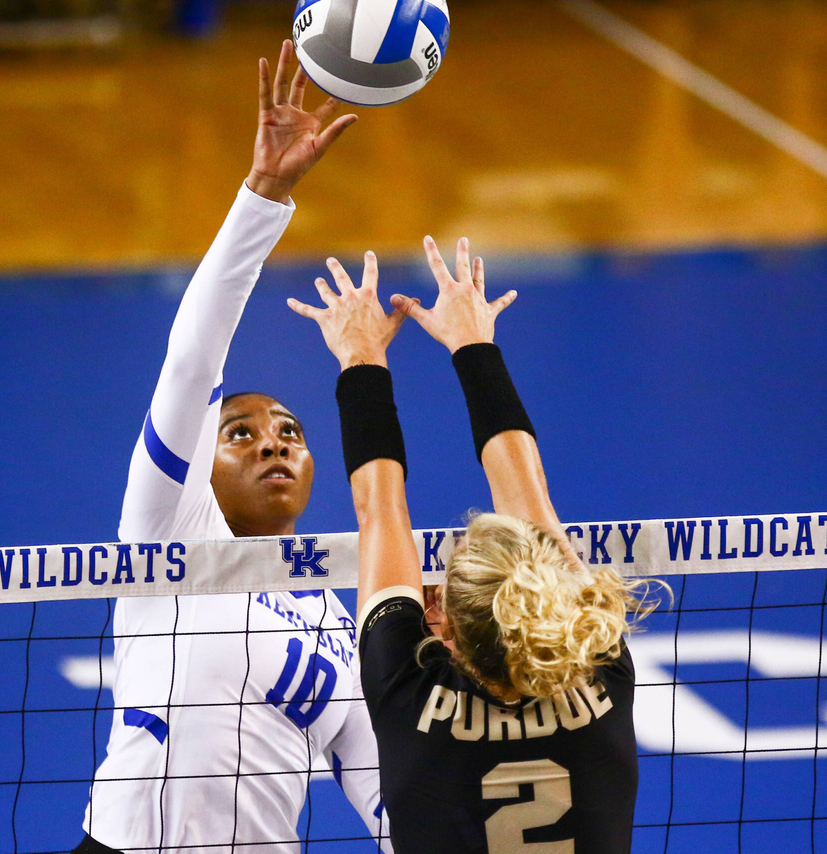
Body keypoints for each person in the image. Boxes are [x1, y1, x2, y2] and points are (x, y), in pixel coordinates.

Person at [75, 41, 391, 854]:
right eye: (241, 434)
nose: (272, 445)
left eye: (291, 432)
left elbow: (382, 787)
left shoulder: (334, 614)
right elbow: (193, 359)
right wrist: (266, 196)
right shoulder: (169, 535)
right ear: (199, 469)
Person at [290, 239, 658, 852]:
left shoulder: (417, 698)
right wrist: (461, 345)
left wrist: (367, 351)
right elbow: (519, 498)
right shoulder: (595, 664)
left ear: (446, 629)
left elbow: (383, 508)